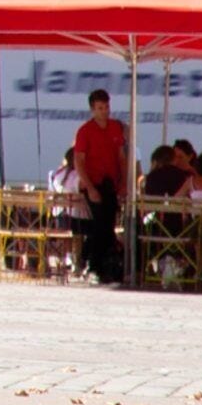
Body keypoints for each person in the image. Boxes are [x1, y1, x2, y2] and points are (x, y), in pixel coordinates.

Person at [67, 88, 130, 285]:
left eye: (107, 107)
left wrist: (124, 183)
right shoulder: (85, 131)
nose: (105, 111)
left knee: (107, 225)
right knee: (100, 224)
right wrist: (89, 187)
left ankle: (100, 266)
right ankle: (93, 265)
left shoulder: (115, 128)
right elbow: (79, 161)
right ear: (92, 109)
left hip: (111, 183)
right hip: (93, 184)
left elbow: (121, 157)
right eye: (100, 108)